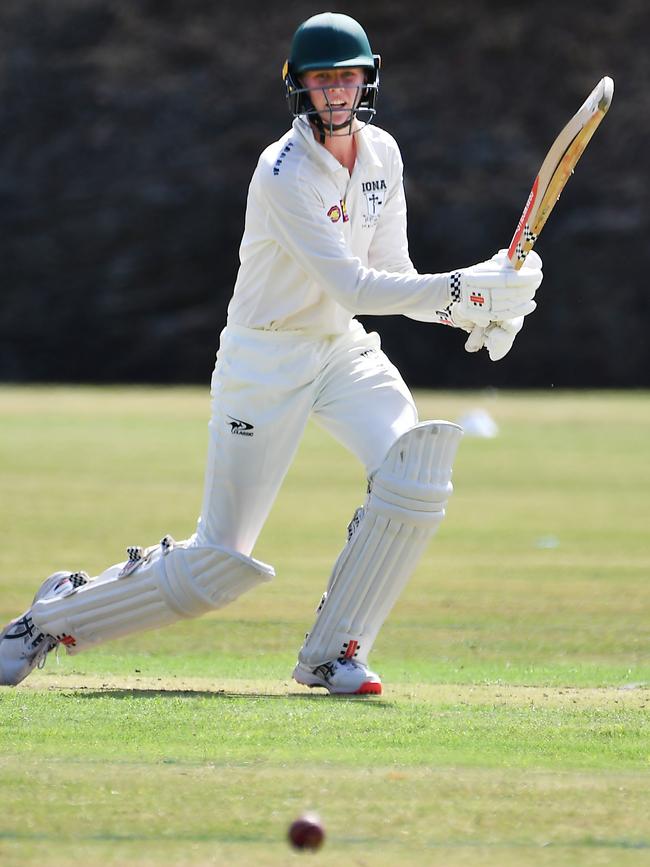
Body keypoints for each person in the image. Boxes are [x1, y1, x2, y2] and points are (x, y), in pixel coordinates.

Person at [0, 13, 542, 694]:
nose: (338, 93)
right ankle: (46, 619)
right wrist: (468, 287)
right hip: (265, 360)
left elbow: (394, 274)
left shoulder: (384, 156)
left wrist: (481, 306)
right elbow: (354, 283)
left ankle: (333, 653)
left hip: (340, 348)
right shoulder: (282, 172)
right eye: (324, 80)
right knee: (215, 568)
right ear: (299, 87)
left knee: (415, 470)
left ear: (367, 81)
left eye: (349, 78)